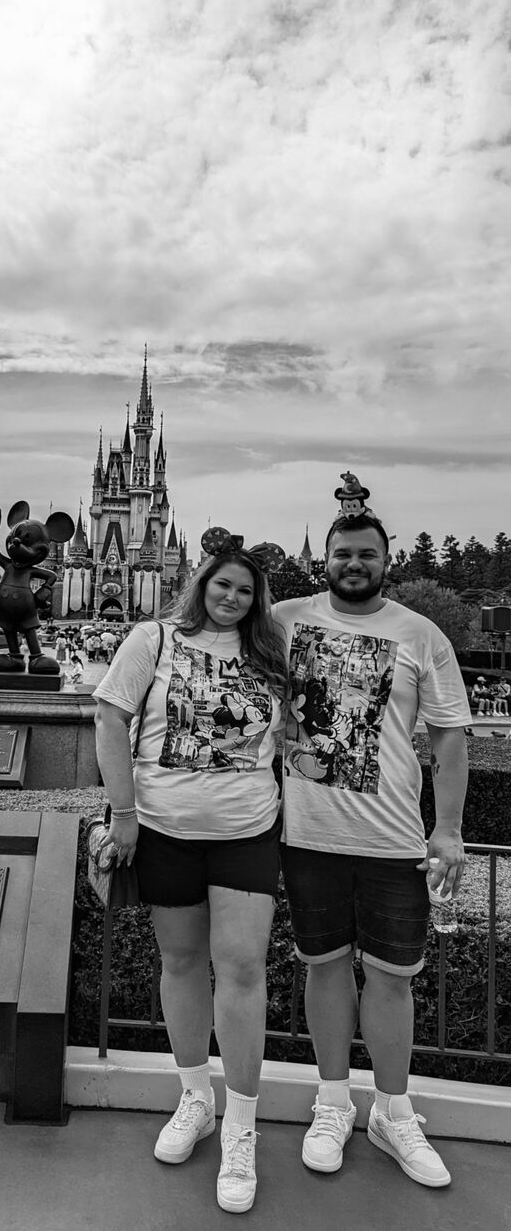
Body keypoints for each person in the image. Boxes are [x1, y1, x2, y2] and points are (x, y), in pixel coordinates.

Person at [272, 477, 470, 1190]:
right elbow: (201, 637)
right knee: (323, 969)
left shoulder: (423, 634)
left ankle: (392, 1110)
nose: (353, 562)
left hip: (393, 844)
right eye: (342, 553)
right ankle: (332, 1101)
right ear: (323, 558)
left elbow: (449, 740)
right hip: (310, 838)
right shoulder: (284, 618)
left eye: (365, 553)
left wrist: (446, 830)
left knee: (391, 982)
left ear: (386, 560)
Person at [93, 528, 288, 1214]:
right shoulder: (153, 638)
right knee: (179, 964)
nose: (232, 597)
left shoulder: (271, 651)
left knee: (239, 968)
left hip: (244, 833)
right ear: (200, 580)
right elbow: (109, 715)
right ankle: (194, 1097)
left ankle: (241, 1125)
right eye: (222, 583)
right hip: (165, 831)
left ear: (259, 599)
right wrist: (123, 813)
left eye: (246, 589)